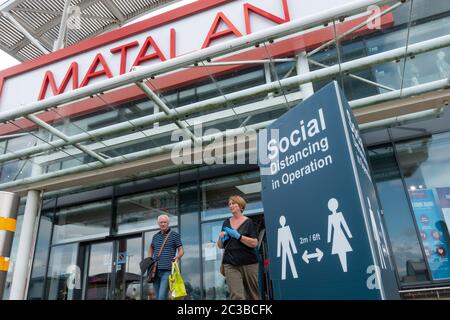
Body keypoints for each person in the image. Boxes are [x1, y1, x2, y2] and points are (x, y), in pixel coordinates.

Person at [217, 195, 260, 300]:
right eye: (229, 204)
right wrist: (221, 238)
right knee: (236, 296)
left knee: (252, 294)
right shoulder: (226, 222)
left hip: (249, 263)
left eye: (233, 203)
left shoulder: (248, 222)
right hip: (230, 263)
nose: (231, 206)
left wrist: (239, 236)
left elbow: (255, 243)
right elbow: (220, 246)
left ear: (241, 206)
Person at [148, 214, 184, 300]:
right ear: (158, 224)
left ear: (168, 223)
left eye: (165, 222)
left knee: (162, 296)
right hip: (155, 271)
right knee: (158, 297)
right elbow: (151, 248)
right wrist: (149, 259)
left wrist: (178, 256)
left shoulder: (174, 235)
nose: (163, 224)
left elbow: (181, 250)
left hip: (167, 270)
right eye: (161, 222)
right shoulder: (155, 236)